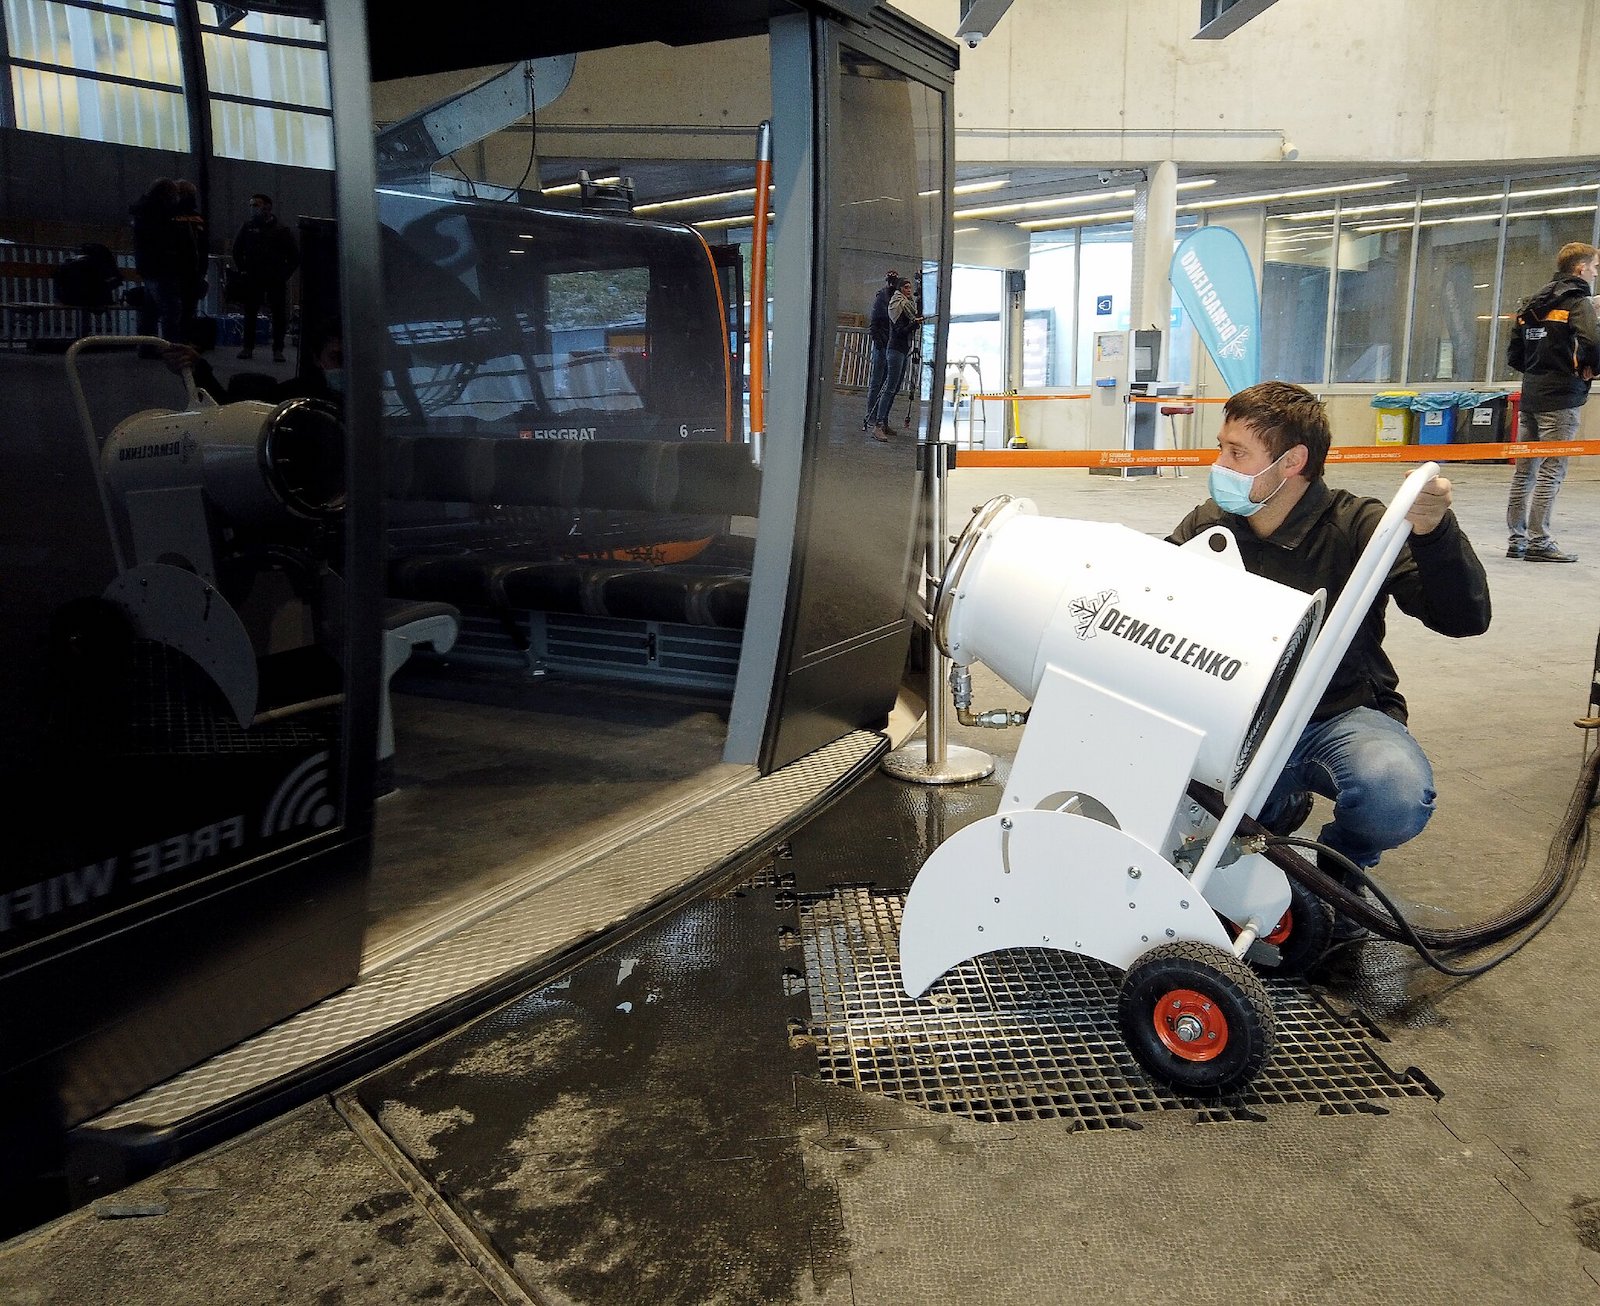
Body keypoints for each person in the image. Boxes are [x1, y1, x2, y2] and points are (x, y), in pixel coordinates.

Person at [1168, 382, 1491, 922]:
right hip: (1238, 720)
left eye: (1235, 452)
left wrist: (1434, 535)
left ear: (1292, 461)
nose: (1219, 463)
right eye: (1221, 447)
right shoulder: (1209, 526)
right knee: (1175, 800)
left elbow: (1464, 618)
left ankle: (1342, 869)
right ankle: (1279, 807)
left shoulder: (1359, 526)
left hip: (1336, 714)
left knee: (1395, 793)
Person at [1504, 241, 1599, 563]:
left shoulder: (1533, 303)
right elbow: (1593, 341)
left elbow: (1514, 354)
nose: (1596, 273)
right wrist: (1589, 368)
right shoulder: (1577, 301)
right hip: (1560, 398)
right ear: (1580, 268)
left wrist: (1537, 371)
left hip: (1531, 394)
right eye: (1595, 267)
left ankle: (1517, 539)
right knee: (1551, 471)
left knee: (1524, 471)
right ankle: (1539, 542)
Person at [232, 192, 300, 362]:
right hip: (253, 277)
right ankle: (247, 347)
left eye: (256, 205)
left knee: (278, 314)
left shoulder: (281, 230)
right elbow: (236, 250)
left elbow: (294, 256)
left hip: (275, 279)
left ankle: (278, 350)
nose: (252, 208)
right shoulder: (247, 227)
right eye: (251, 205)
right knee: (250, 313)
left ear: (267, 207)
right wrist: (243, 269)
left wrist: (284, 274)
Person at [129, 178, 183, 341]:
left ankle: (146, 345)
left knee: (151, 310)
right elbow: (164, 237)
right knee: (170, 309)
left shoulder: (143, 209)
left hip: (149, 265)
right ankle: (171, 347)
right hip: (161, 265)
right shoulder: (158, 212)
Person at [867, 278, 918, 440]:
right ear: (899, 289)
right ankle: (878, 424)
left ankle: (884, 421)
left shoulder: (908, 305)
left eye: (911, 287)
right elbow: (898, 330)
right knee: (887, 387)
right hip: (894, 348)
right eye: (906, 287)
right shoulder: (896, 304)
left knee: (894, 388)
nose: (909, 290)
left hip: (903, 348)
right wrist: (913, 325)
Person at [862, 270, 898, 434]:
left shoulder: (895, 299)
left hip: (891, 345)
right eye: (890, 280)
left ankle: (882, 418)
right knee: (877, 382)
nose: (891, 283)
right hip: (882, 345)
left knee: (887, 384)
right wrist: (878, 342)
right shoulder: (881, 298)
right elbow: (875, 322)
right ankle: (871, 415)